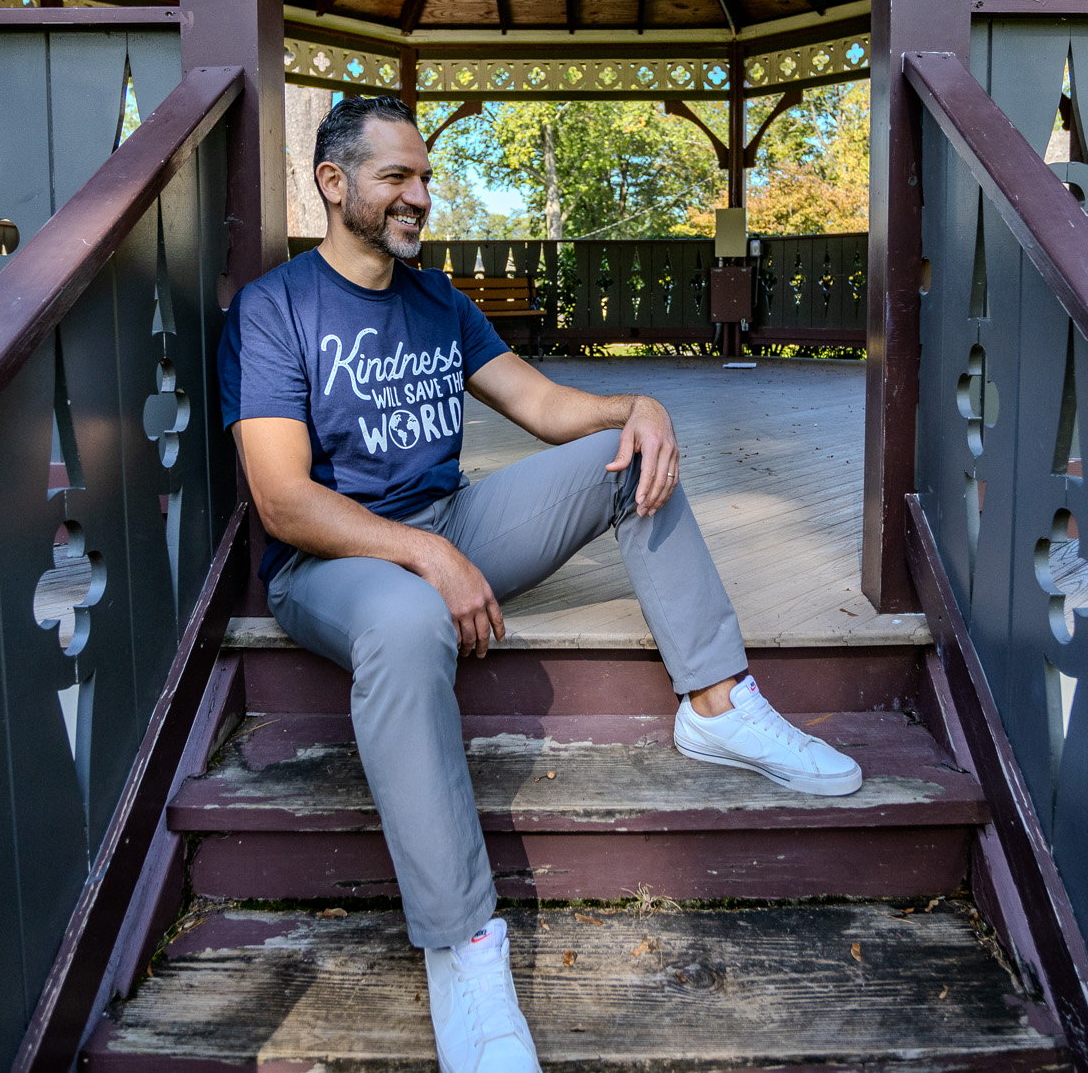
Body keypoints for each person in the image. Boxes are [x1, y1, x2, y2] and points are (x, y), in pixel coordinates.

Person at [220, 95, 862, 1073]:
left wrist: (636, 403)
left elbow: (542, 403)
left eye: (425, 178)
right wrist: (426, 558)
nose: (420, 197)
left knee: (622, 456)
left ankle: (718, 703)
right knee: (404, 625)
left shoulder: (436, 301)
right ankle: (460, 943)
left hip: (450, 524)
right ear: (332, 182)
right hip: (333, 565)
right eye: (397, 177)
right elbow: (280, 499)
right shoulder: (276, 310)